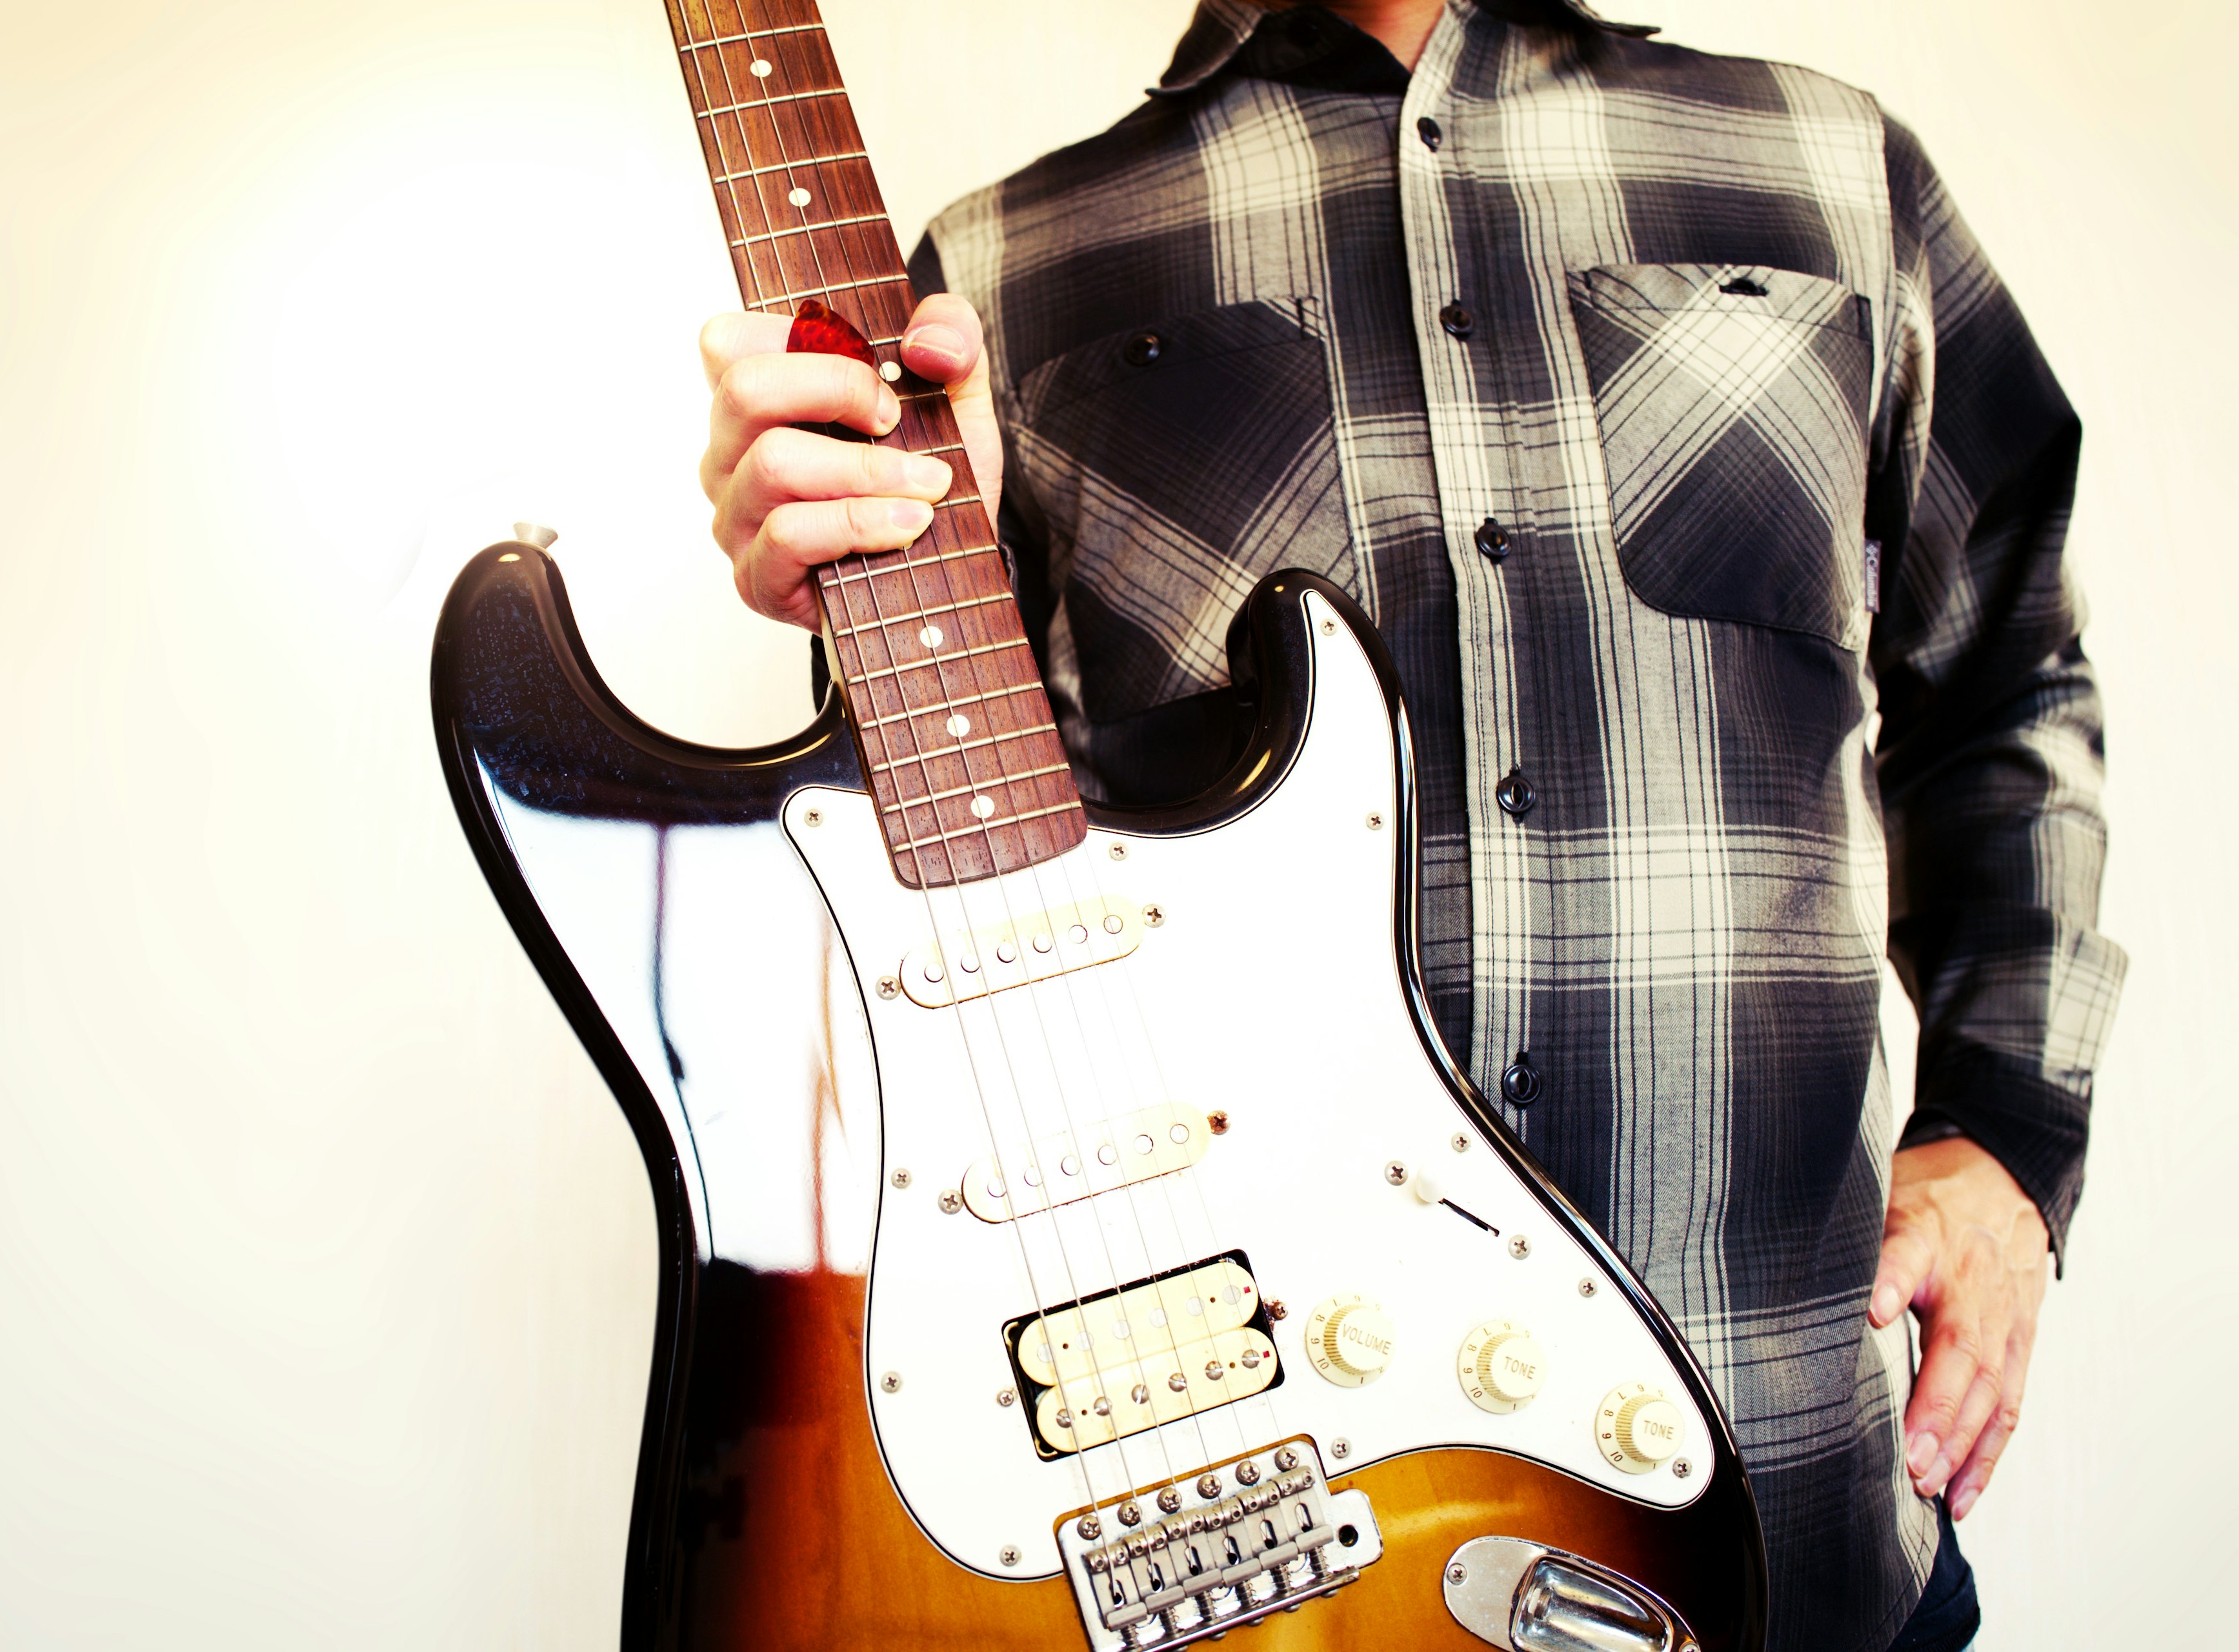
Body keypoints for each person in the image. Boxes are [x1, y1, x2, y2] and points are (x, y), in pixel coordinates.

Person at [694, 2, 2123, 1647]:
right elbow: (977, 904)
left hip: (1807, 1499)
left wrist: (2009, 1137)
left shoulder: (1830, 168)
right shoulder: (1003, 268)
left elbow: (2010, 678)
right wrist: (856, 565)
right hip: (1316, 1550)